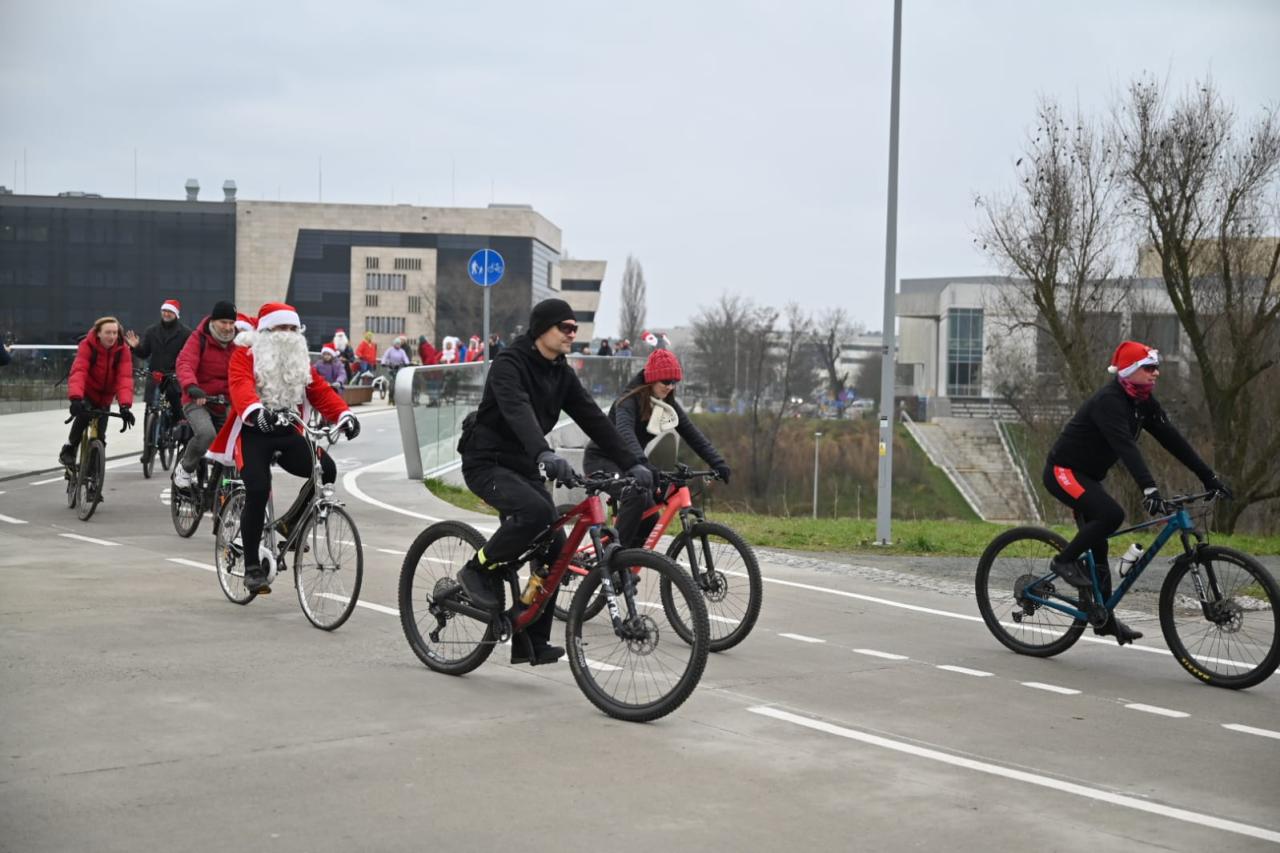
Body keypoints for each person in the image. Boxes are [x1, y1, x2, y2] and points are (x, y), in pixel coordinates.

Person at [453, 298, 650, 666]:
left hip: (525, 465)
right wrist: (544, 452)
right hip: (487, 461)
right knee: (536, 512)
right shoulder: (509, 365)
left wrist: (634, 461)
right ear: (542, 328)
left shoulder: (561, 373)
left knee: (555, 551)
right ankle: (476, 569)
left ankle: (531, 640)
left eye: (575, 329)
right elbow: (517, 412)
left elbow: (594, 420)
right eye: (566, 328)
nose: (572, 335)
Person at [1043, 340, 1231, 645]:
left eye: (1156, 368)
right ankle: (1063, 561)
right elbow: (1125, 446)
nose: (1156, 373)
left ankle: (1104, 619)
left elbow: (1173, 440)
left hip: (1089, 476)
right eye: (1149, 368)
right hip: (1063, 471)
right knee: (1111, 515)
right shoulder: (1110, 401)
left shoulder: (1143, 402)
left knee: (1100, 546)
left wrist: (1209, 477)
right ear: (1130, 370)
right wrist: (1149, 487)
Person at [207, 302, 359, 593]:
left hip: (289, 430)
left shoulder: (301, 360)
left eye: (293, 328)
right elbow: (240, 386)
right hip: (253, 432)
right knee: (258, 488)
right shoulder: (245, 355)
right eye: (281, 328)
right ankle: (252, 566)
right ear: (266, 330)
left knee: (325, 470)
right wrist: (255, 412)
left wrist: (344, 415)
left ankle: (289, 525)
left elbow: (320, 391)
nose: (288, 334)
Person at [584, 349, 730, 547]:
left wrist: (717, 462)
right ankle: (612, 560)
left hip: (631, 463)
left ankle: (625, 568)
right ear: (652, 379)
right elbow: (626, 435)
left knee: (650, 522)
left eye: (674, 382)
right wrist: (643, 464)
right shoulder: (627, 402)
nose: (670, 387)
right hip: (602, 461)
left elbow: (692, 434)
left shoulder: (665, 403)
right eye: (666, 382)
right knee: (635, 495)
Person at [172, 301, 239, 489]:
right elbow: (185, 363)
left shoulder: (240, 342)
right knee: (206, 434)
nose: (227, 327)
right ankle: (185, 468)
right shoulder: (199, 338)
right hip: (198, 399)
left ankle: (224, 487)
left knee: (237, 440)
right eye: (223, 322)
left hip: (226, 402)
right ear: (214, 321)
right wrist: (192, 386)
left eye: (231, 323)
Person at [60, 316, 135, 466]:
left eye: (115, 333)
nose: (112, 336)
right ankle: (69, 447)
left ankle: (94, 477)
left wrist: (125, 406)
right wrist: (76, 398)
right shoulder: (87, 346)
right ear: (98, 333)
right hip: (88, 392)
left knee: (100, 437)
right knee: (83, 416)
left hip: (106, 397)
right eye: (108, 332)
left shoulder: (122, 350)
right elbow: (79, 372)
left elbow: (124, 378)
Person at [124, 298, 190, 456]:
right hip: (155, 376)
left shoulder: (186, 333)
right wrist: (136, 347)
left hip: (173, 377)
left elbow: (189, 356)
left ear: (176, 314)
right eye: (164, 311)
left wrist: (181, 372)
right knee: (150, 410)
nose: (166, 314)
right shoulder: (151, 331)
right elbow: (145, 352)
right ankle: (148, 446)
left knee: (175, 406)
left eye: (170, 311)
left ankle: (175, 430)